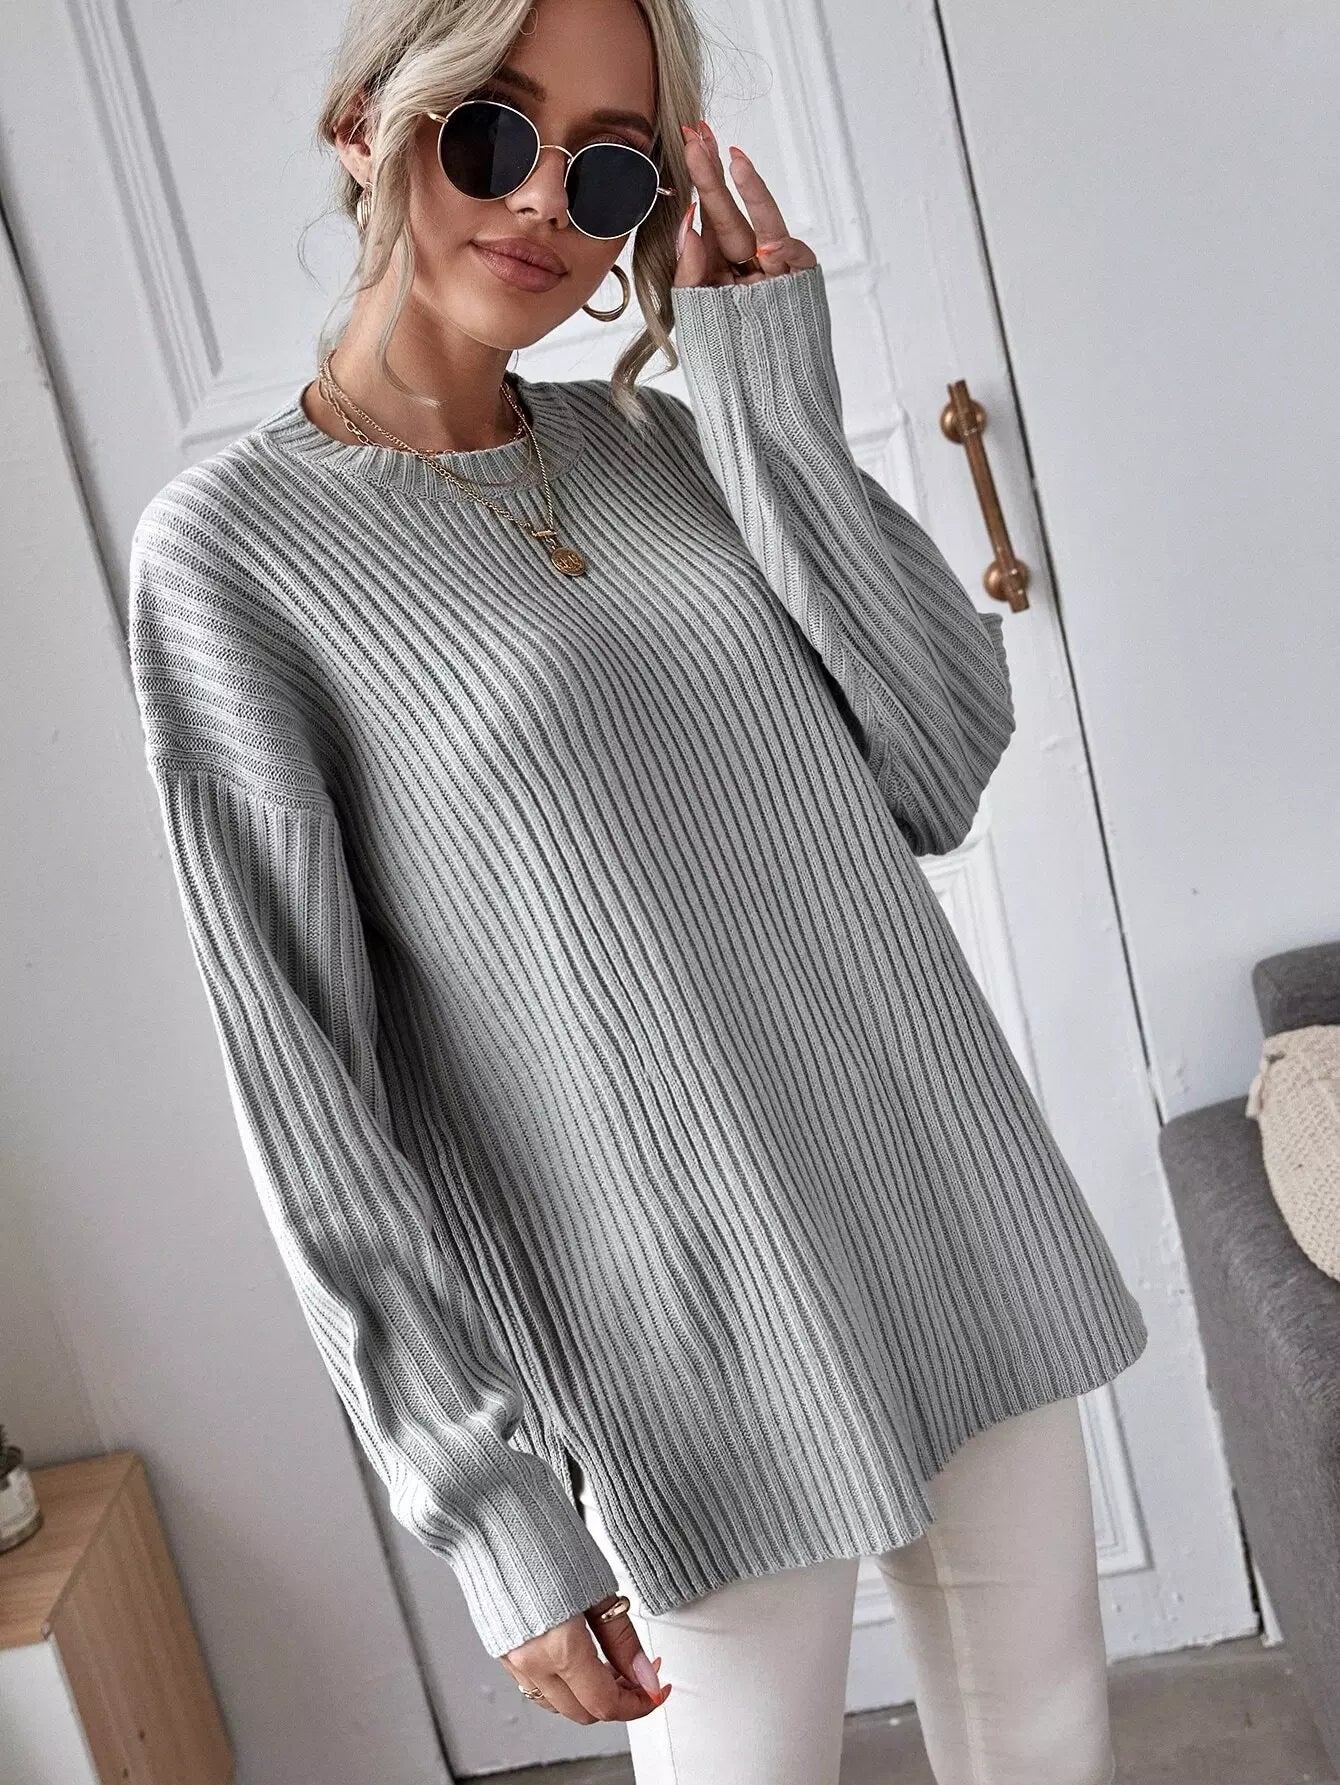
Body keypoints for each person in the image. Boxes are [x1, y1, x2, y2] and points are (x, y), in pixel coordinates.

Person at [125, 0, 1146, 1779]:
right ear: (369, 126)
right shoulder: (229, 560)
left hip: (940, 1205)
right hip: (673, 1337)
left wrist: (767, 387)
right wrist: (488, 1502)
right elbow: (307, 1093)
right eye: (492, 130)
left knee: (1050, 1750)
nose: (542, 202)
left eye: (606, 170)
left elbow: (935, 760)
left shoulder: (666, 448)